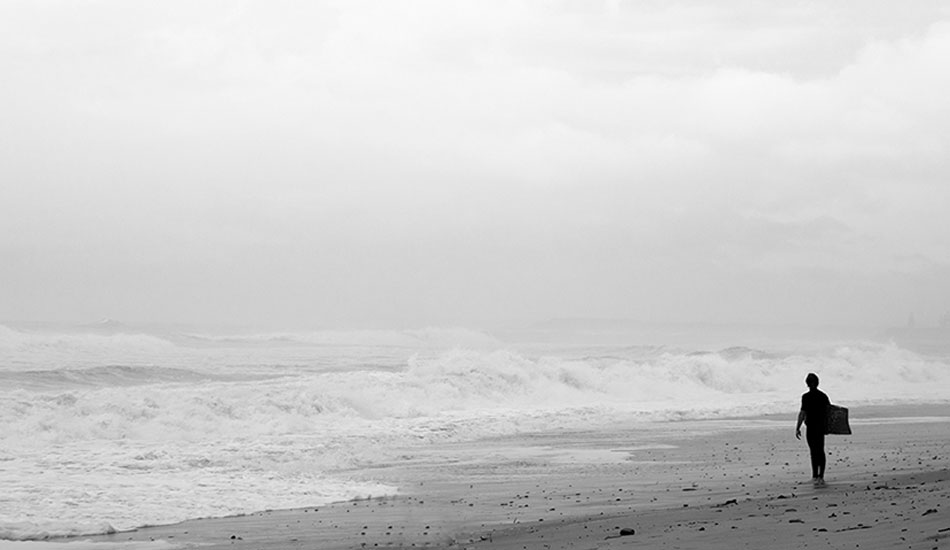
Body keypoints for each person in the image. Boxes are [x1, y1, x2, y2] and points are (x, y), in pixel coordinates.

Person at [795, 372, 830, 485]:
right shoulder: (823, 396)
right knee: (820, 451)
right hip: (820, 427)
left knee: (814, 451)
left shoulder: (806, 397)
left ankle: (816, 476)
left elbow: (802, 413)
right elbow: (829, 412)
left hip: (811, 427)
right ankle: (820, 476)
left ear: (807, 383)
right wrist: (829, 427)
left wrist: (798, 427)